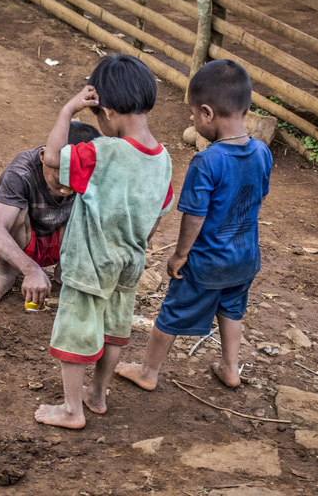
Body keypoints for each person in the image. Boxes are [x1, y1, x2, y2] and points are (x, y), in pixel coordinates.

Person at [34, 54, 174, 429]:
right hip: (130, 262)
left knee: (77, 331)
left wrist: (67, 111)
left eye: (98, 117)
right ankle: (97, 396)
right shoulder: (164, 160)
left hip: (89, 263)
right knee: (114, 330)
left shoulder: (102, 152)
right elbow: (159, 216)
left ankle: (71, 410)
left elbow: (51, 159)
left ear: (108, 112)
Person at [116, 59, 272, 390]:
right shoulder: (261, 152)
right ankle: (231, 368)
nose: (192, 120)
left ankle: (148, 371)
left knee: (172, 314)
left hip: (207, 263)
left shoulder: (208, 160)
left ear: (206, 113)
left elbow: (195, 215)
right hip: (246, 258)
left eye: (191, 114)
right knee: (231, 310)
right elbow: (258, 196)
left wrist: (180, 254)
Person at [0, 121, 101, 308]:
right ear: (43, 156)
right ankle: (5, 274)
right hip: (23, 244)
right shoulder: (21, 172)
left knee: (91, 207)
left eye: (74, 183)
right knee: (15, 211)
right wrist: (31, 270)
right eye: (60, 180)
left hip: (60, 241)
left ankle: (66, 270)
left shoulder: (93, 171)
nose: (66, 191)